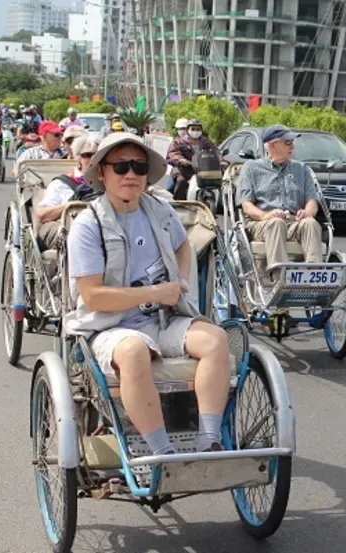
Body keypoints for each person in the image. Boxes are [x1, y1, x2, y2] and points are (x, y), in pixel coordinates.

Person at [65, 132, 231, 454]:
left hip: (165, 320)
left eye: (139, 167)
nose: (130, 174)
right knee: (133, 352)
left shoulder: (160, 211)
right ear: (102, 172)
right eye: (121, 166)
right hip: (110, 325)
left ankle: (209, 440)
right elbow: (93, 296)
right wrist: (153, 291)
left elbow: (183, 244)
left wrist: (181, 285)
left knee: (216, 339)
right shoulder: (89, 225)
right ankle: (161, 451)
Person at [235, 123, 323, 281]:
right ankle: (280, 279)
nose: (292, 147)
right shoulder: (251, 168)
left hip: (294, 222)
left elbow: (312, 201)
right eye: (288, 143)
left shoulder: (302, 169)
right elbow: (246, 205)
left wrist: (307, 212)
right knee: (276, 223)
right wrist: (265, 215)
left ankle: (313, 277)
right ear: (272, 145)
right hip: (262, 223)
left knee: (310, 223)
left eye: (292, 143)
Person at [36, 137, 101, 250]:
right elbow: (42, 214)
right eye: (88, 155)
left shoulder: (107, 184)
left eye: (97, 155)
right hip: (65, 229)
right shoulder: (62, 183)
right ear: (78, 158)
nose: (93, 159)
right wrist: (72, 206)